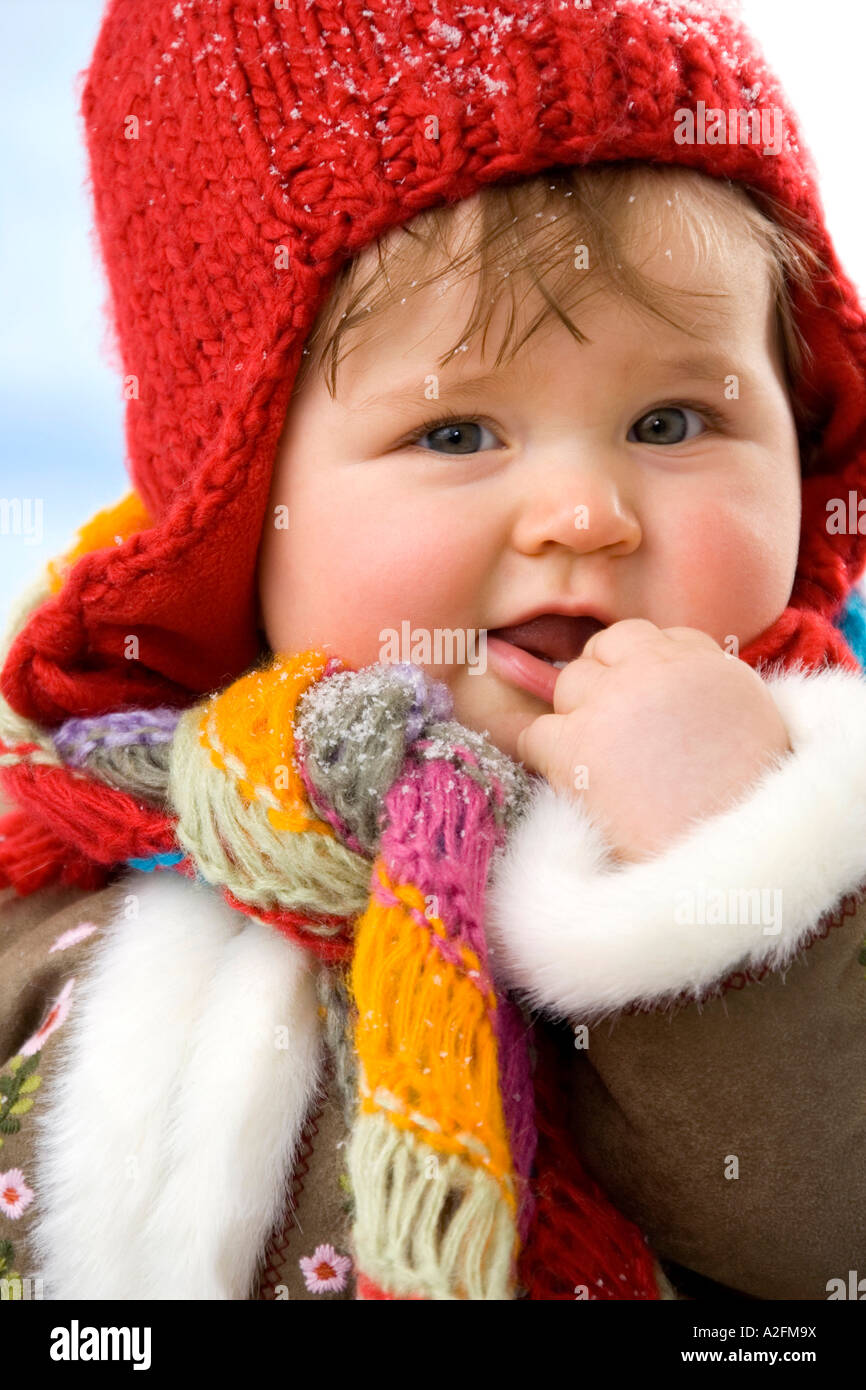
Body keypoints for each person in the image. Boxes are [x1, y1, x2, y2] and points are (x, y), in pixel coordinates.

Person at [1, 0, 865, 1302]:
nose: (585, 513)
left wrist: (726, 866)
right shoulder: (70, 845)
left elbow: (824, 1233)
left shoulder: (828, 807)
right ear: (238, 515)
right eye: (457, 434)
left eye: (672, 417)